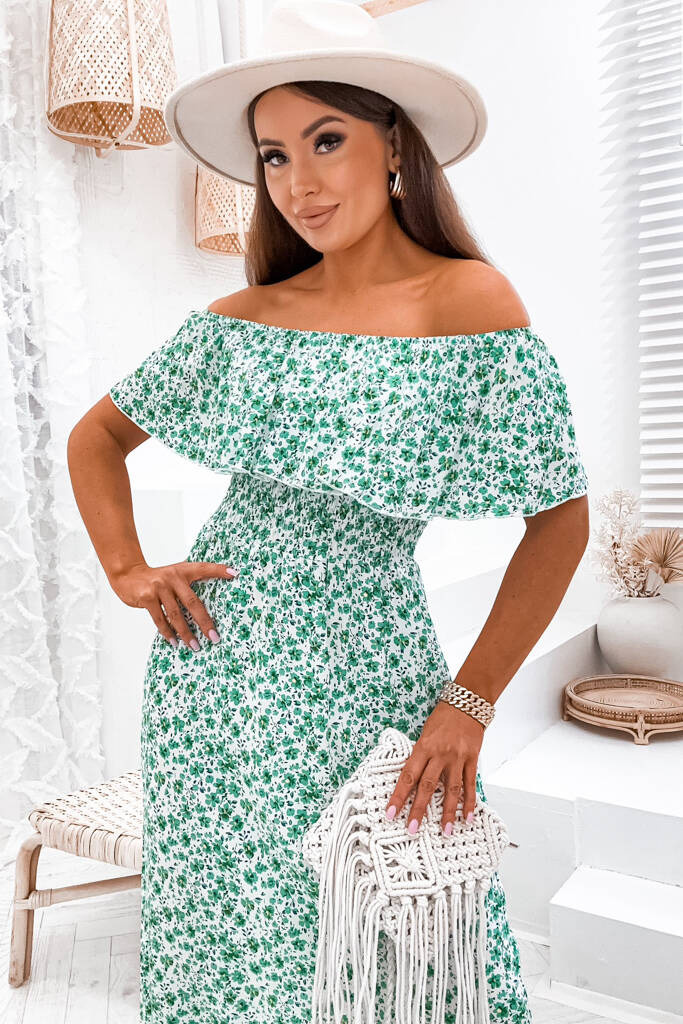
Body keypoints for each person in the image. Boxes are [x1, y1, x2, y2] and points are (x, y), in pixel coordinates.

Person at [67, 2, 589, 1022]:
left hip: (369, 670)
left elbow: (558, 521)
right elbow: (96, 439)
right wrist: (129, 568)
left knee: (401, 914)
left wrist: (469, 704)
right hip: (215, 677)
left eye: (325, 141)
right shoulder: (245, 319)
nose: (297, 183)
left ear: (393, 146)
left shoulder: (468, 302)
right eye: (272, 156)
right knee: (236, 924)